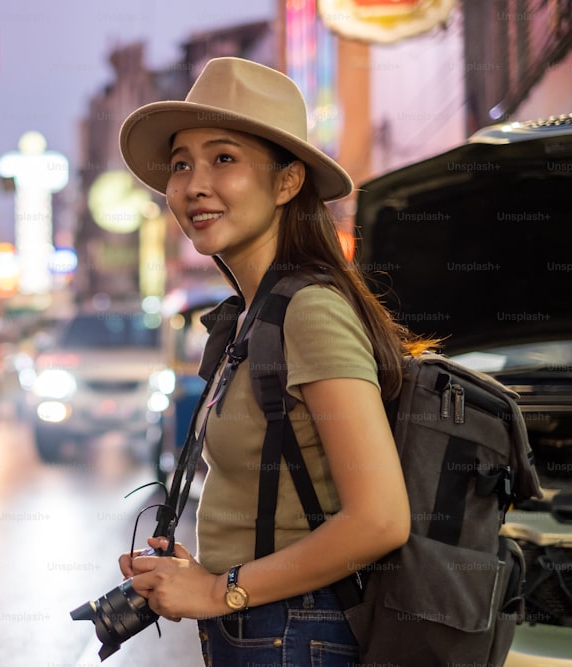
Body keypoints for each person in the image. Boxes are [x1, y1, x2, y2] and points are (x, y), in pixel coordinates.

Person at [116, 57, 431, 666]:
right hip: (262, 627)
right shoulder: (254, 313)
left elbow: (380, 519)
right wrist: (199, 571)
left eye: (224, 158)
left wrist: (216, 589)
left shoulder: (309, 309)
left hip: (297, 633)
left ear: (287, 183)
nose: (193, 184)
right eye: (182, 164)